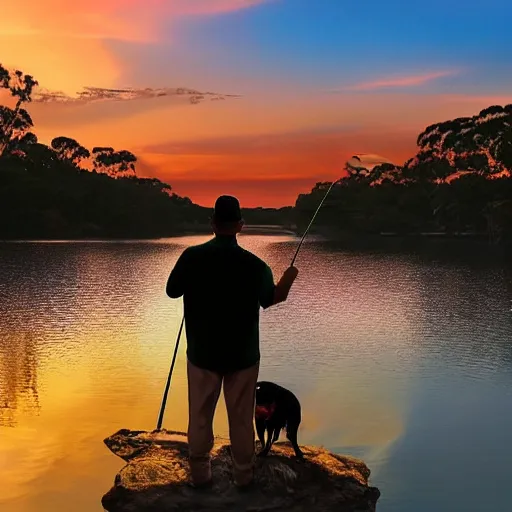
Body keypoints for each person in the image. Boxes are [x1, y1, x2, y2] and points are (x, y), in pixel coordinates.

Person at [166, 195, 299, 489]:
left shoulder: (191, 257)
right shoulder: (256, 265)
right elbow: (271, 299)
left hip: (202, 353)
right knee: (241, 419)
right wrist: (288, 279)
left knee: (199, 416)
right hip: (243, 356)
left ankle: (201, 477)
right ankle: (243, 477)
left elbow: (172, 291)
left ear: (212, 223)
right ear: (240, 225)